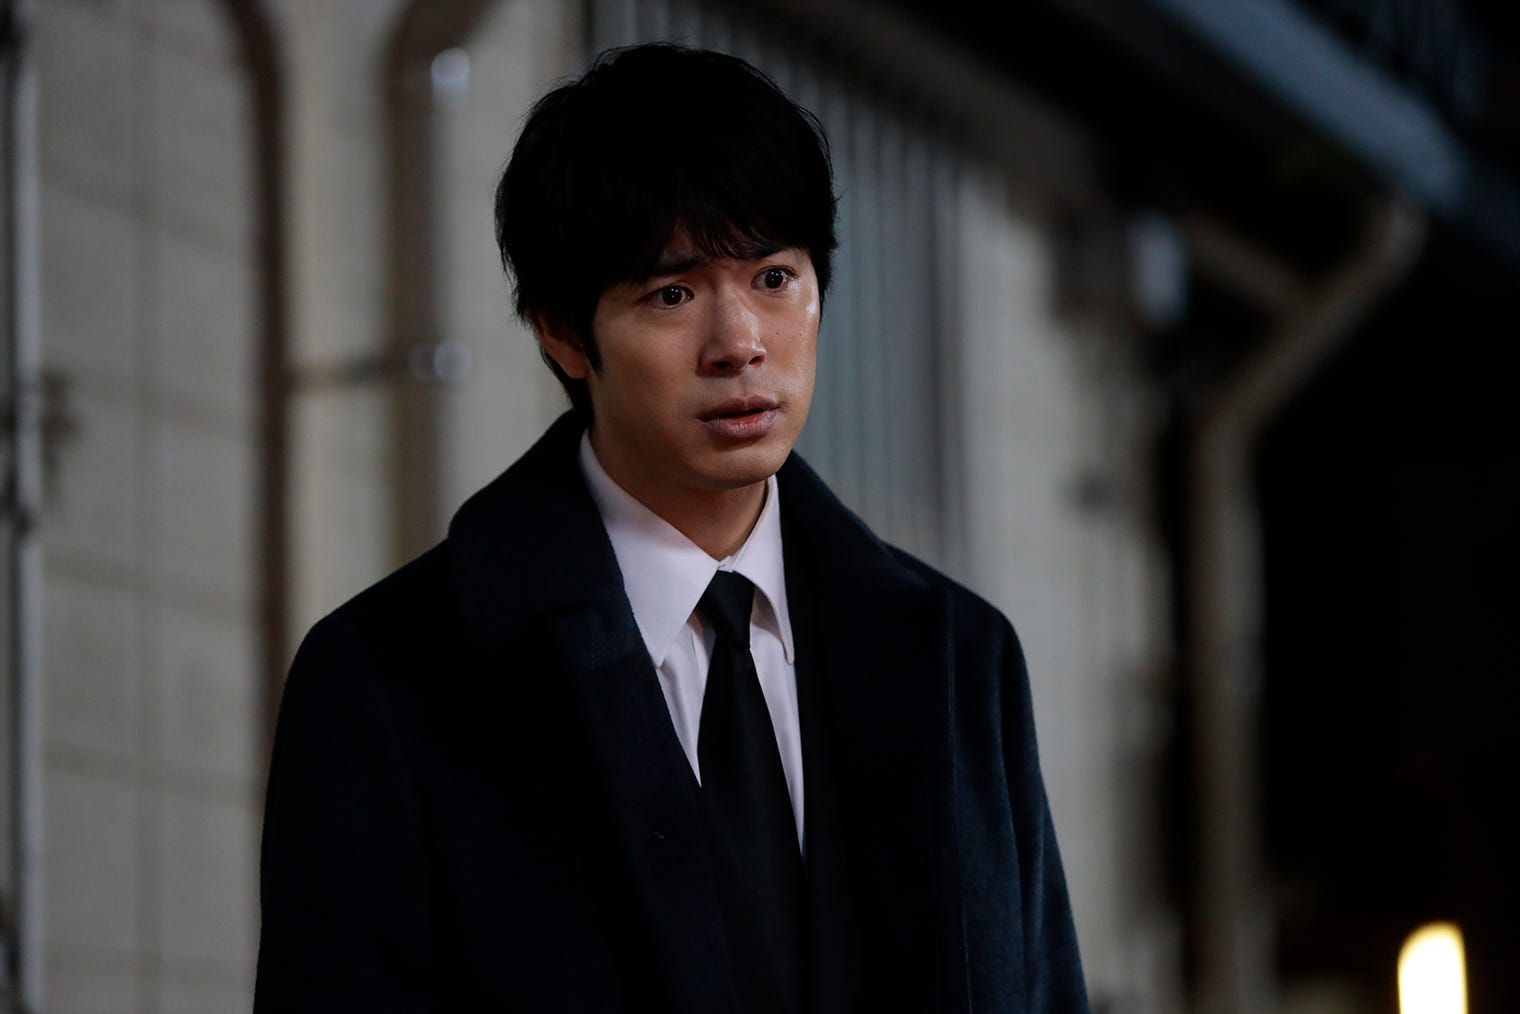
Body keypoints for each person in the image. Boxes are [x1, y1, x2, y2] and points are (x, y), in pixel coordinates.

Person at [254, 42, 1088, 1013]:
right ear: (562, 332)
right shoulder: (391, 677)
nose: (739, 344)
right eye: (673, 294)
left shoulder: (959, 658)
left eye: (774, 278)